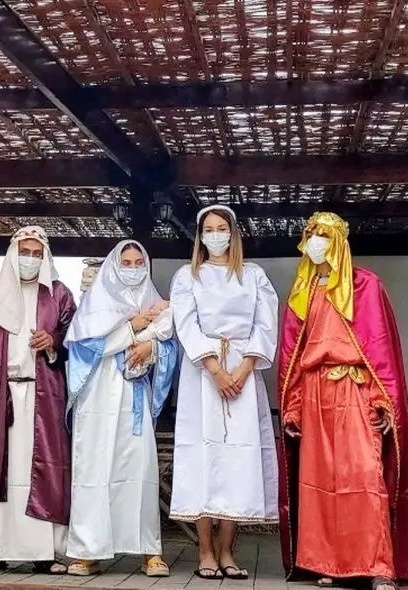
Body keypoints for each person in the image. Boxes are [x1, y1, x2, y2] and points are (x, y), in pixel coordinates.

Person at [277, 212, 408, 589]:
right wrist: (294, 405)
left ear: (339, 241)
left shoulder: (366, 285)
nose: (315, 241)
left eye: (324, 235)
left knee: (366, 478)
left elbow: (381, 352)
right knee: (318, 485)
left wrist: (382, 401)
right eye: (311, 234)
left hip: (355, 390)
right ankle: (329, 564)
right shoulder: (303, 291)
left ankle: (379, 566)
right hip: (315, 393)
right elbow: (293, 357)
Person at [0, 226, 76, 575]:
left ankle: (45, 552)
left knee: (43, 470)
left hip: (43, 396)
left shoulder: (58, 294)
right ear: (13, 252)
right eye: (26, 251)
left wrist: (52, 341)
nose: (31, 259)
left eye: (38, 254)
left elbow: (76, 341)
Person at [168, 205, 279, 581]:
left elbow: (266, 325)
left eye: (221, 228)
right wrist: (215, 368)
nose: (215, 235)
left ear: (233, 234)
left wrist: (244, 369)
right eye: (208, 229)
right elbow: (185, 323)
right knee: (204, 457)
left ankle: (228, 550)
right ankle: (204, 550)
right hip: (203, 374)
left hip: (244, 375)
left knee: (237, 460)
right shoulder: (188, 276)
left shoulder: (254, 276)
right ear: (200, 236)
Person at [63, 240, 179, 577]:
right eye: (125, 262)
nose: (132, 268)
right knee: (94, 470)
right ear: (113, 267)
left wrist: (151, 349)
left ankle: (149, 550)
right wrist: (134, 327)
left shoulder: (157, 304)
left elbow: (170, 349)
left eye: (138, 261)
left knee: (139, 471)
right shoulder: (94, 303)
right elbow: (85, 350)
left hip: (133, 398)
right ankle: (88, 550)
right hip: (98, 398)